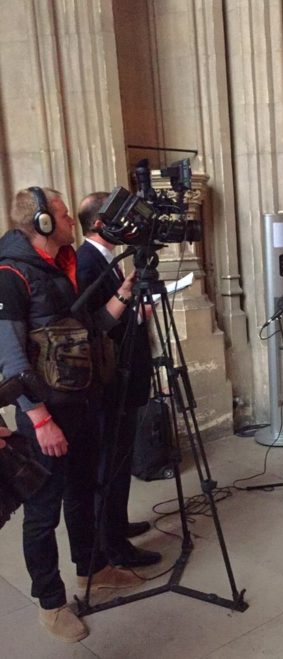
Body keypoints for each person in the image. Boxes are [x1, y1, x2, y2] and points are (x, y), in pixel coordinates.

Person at [0, 187, 142, 642]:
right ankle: (51, 604)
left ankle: (94, 568)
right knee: (43, 513)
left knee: (85, 488)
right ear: (41, 222)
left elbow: (90, 329)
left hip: (81, 402)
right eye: (61, 214)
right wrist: (39, 420)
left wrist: (122, 294)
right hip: (45, 413)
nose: (70, 221)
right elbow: (11, 359)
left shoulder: (62, 267)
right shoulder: (11, 274)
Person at [76, 192, 160, 569]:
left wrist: (139, 313)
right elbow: (93, 325)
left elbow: (121, 317)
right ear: (100, 223)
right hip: (111, 379)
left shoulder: (108, 258)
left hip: (127, 371)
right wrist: (127, 301)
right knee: (110, 461)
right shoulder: (87, 262)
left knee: (121, 457)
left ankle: (119, 524)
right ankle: (112, 544)